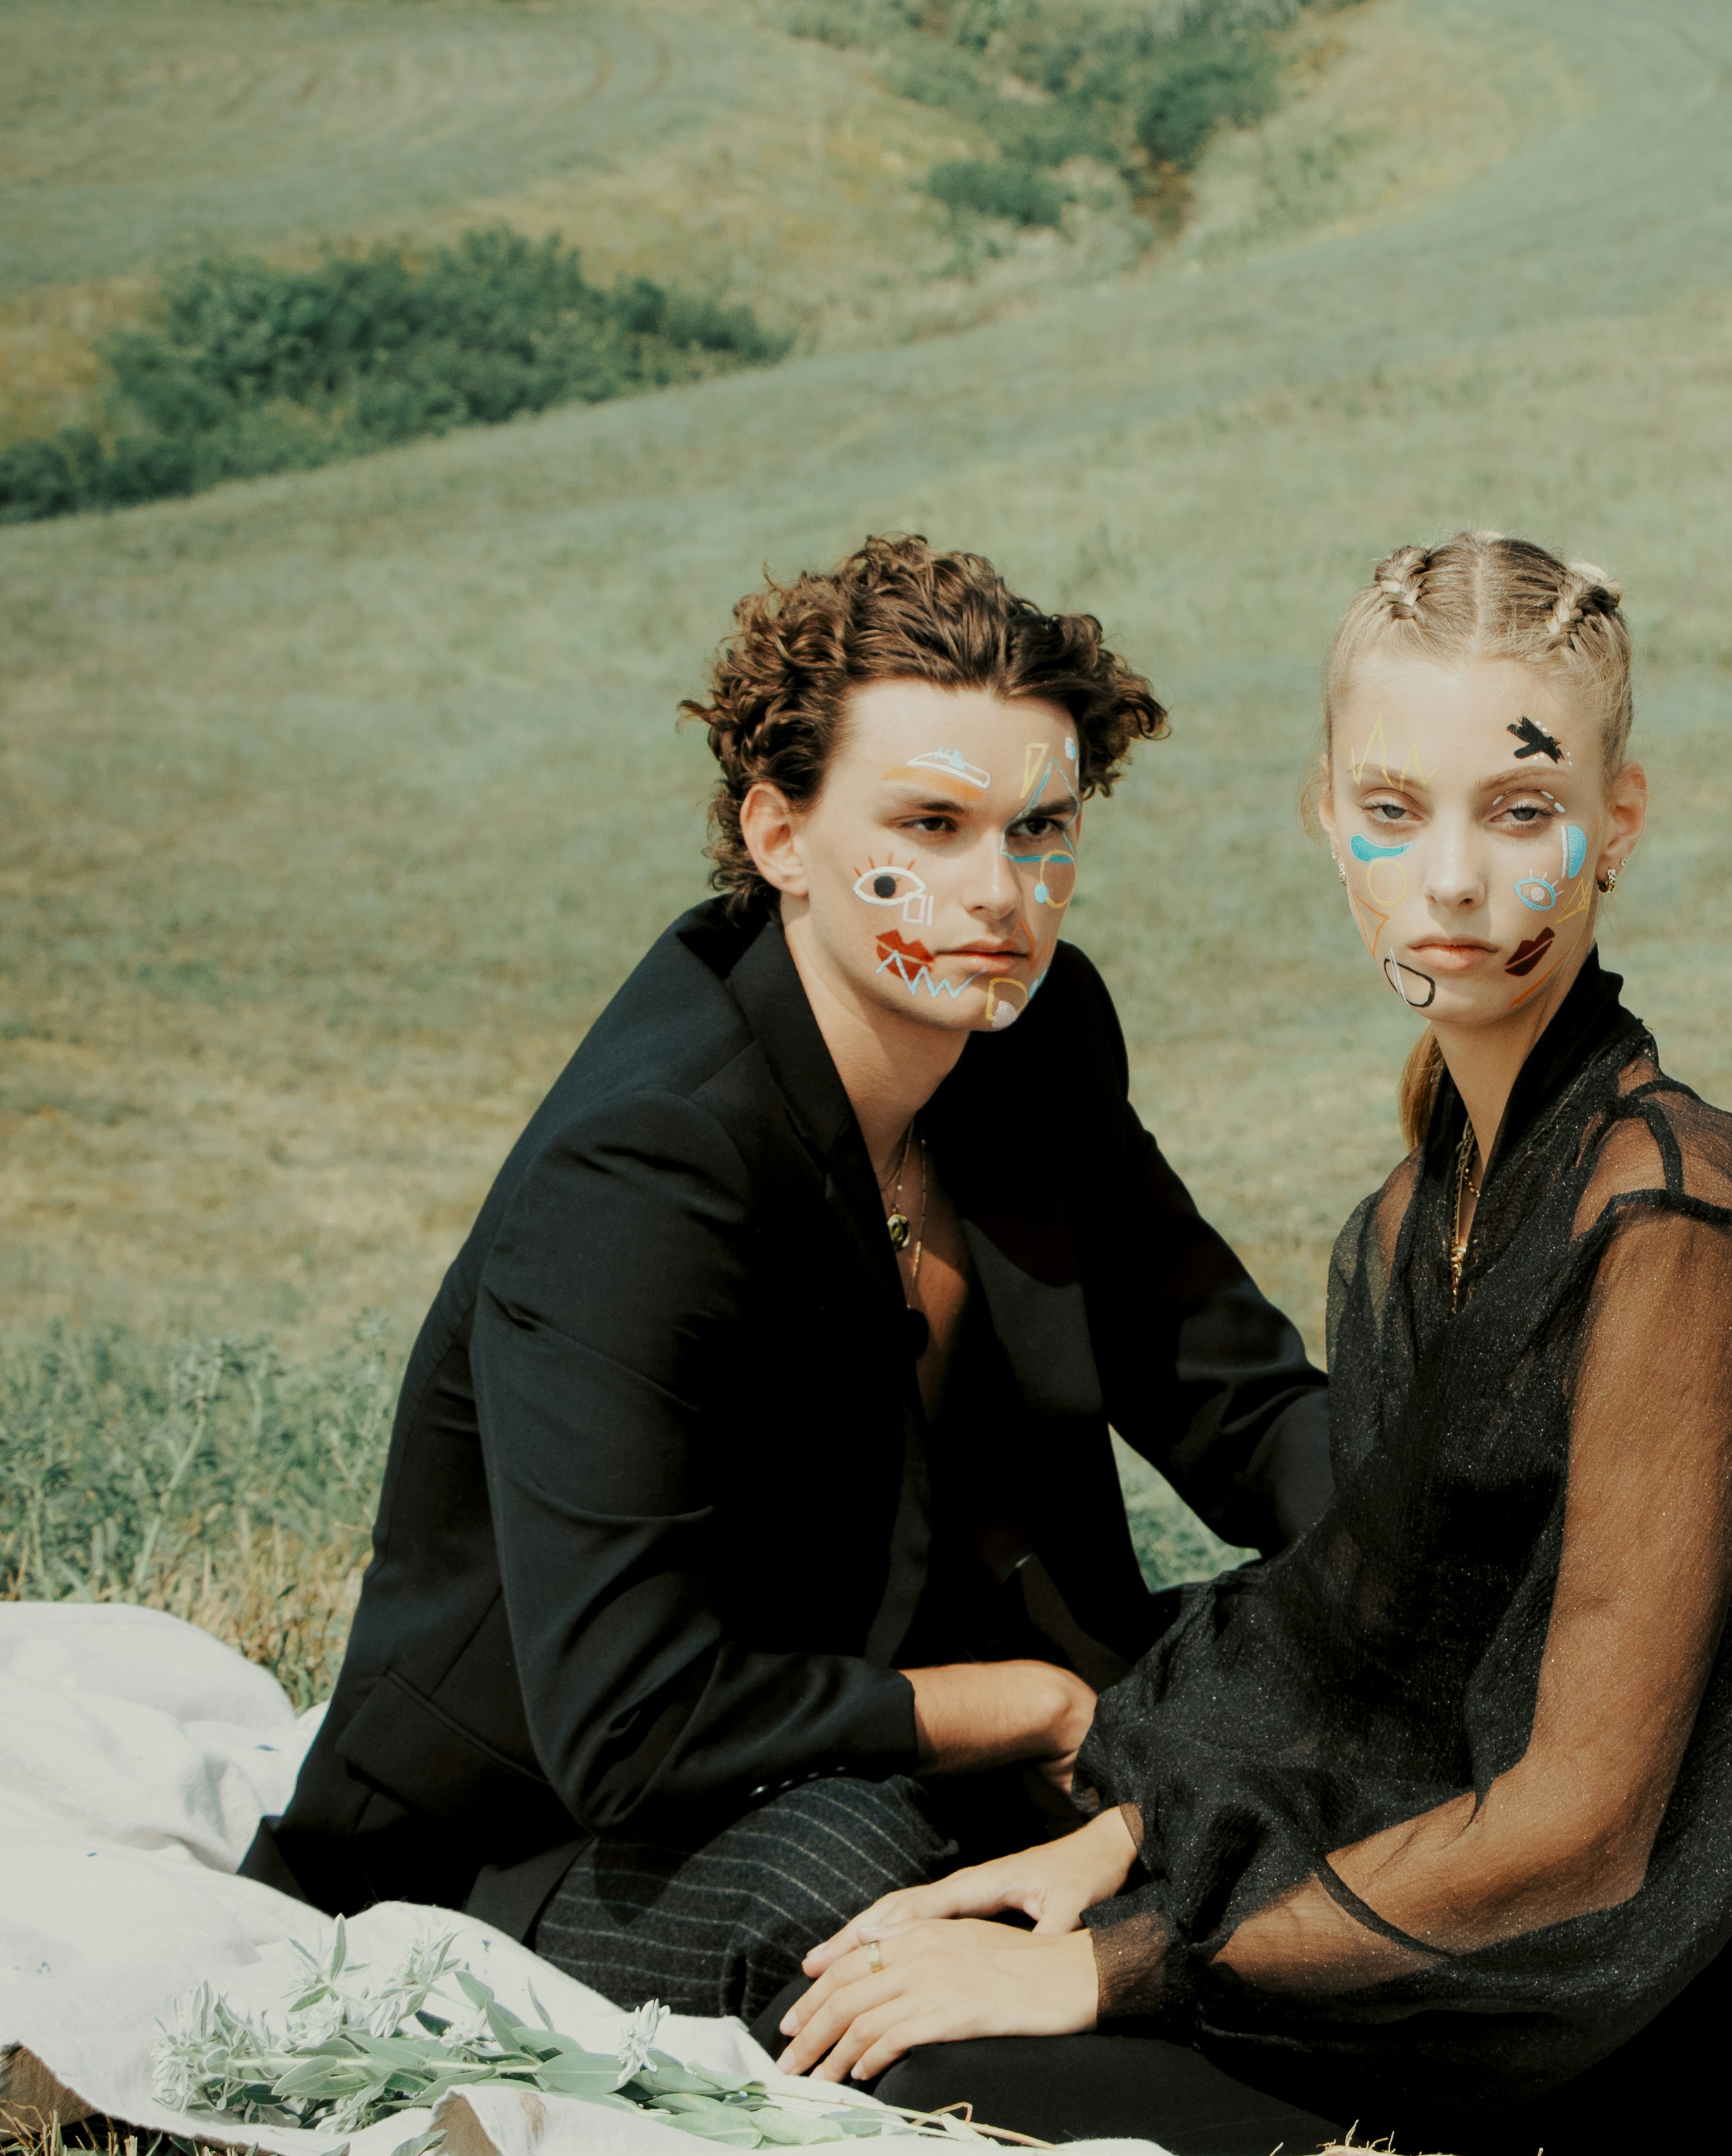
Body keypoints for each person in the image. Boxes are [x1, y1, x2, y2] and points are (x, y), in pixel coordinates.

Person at [773, 533, 1732, 2156]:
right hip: (1494, 2020)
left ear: (1616, 821)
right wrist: (1107, 1851)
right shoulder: (1399, 1233)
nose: (1449, 876)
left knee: (963, 2083)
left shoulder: (1677, 1228)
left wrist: (1128, 1961)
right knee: (913, 2030)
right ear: (1325, 821)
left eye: (1519, 811)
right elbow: (1361, 1666)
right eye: (1393, 809)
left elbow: (1584, 1823)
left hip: (1705, 2115)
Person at [241, 537, 1333, 2023]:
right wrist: (1027, 1706)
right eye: (930, 825)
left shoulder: (1035, 1037)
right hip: (559, 1827)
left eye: (1039, 829)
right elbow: (630, 1720)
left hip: (914, 1702)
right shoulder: (647, 1165)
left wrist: (1455, 1577)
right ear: (778, 834)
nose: (998, 891)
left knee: (1326, 1681)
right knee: (862, 1882)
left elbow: (1240, 1402)